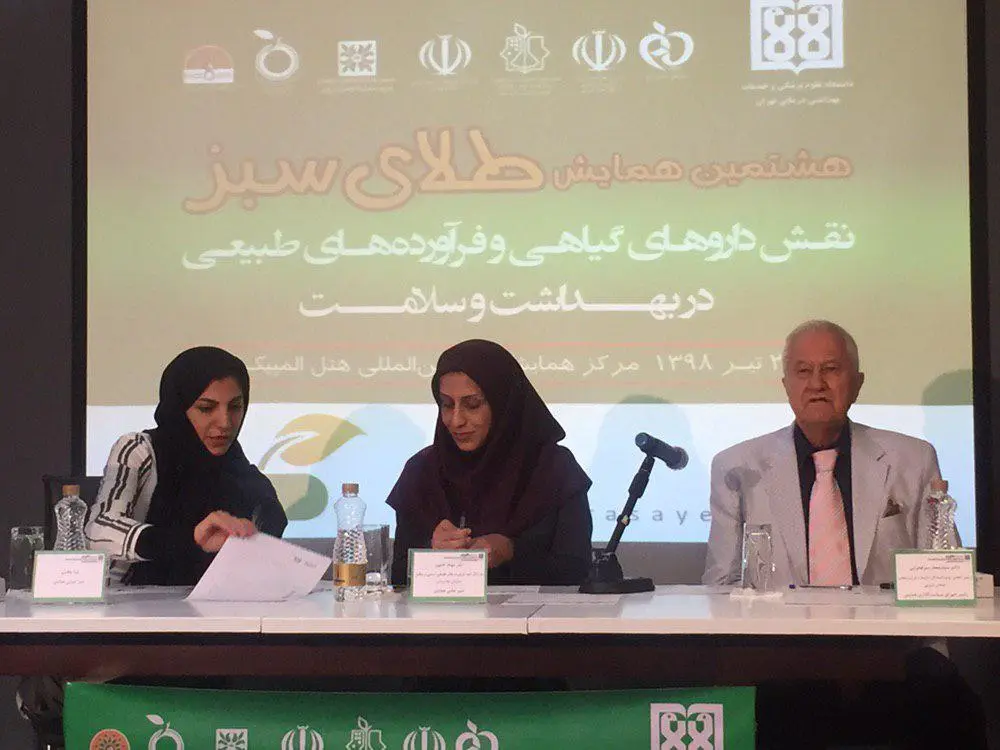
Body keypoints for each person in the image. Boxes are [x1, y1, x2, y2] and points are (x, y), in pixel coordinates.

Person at [703, 319, 941, 588]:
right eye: (803, 371)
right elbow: (721, 586)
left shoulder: (913, 460)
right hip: (778, 616)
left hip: (880, 615)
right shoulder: (737, 466)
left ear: (857, 384)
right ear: (786, 385)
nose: (817, 384)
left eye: (831, 369)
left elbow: (944, 579)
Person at [387, 339, 593, 586]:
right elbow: (398, 576)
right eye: (447, 404)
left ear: (504, 404)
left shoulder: (553, 468)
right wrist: (432, 552)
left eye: (472, 405)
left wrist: (511, 551)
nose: (456, 420)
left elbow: (577, 570)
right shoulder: (422, 471)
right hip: (442, 612)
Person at [85, 346, 287, 585]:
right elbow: (97, 531)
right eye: (206, 408)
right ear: (179, 407)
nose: (225, 422)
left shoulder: (244, 475)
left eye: (235, 407)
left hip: (217, 605)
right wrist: (190, 538)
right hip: (133, 602)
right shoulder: (140, 450)